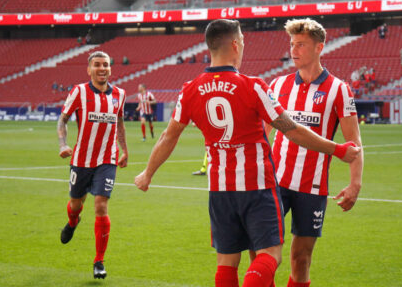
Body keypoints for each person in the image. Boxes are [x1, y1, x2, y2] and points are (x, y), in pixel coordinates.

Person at [134, 19, 361, 287]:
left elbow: (168, 136)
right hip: (261, 186)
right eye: (242, 41)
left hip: (234, 189)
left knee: (238, 262)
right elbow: (290, 130)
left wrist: (147, 173)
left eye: (300, 44)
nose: (243, 46)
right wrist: (336, 149)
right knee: (268, 256)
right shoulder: (257, 86)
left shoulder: (189, 90)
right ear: (234, 45)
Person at [268, 18, 364, 287]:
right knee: (263, 252)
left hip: (312, 187)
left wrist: (355, 184)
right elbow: (263, 133)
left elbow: (353, 142)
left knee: (301, 257)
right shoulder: (277, 86)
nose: (293, 50)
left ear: (319, 47)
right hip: (275, 182)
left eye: (301, 44)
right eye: (291, 44)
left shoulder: (339, 90)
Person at [56, 51, 128, 279]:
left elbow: (120, 123)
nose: (102, 68)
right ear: (89, 70)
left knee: (100, 205)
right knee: (76, 205)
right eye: (97, 65)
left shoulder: (120, 94)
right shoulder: (79, 92)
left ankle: (99, 261)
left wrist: (124, 150)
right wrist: (62, 144)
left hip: (107, 159)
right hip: (81, 160)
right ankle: (72, 221)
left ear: (110, 68)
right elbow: (63, 119)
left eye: (106, 64)